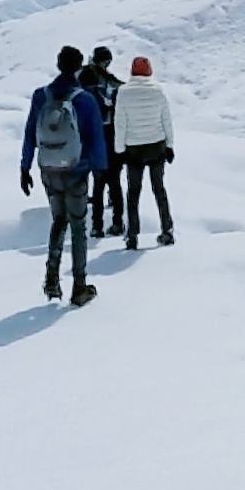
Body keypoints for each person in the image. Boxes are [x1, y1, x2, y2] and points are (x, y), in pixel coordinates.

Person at [21, 46, 108, 305]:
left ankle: (51, 279)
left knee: (58, 220)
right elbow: (95, 139)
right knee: (79, 226)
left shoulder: (41, 96)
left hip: (48, 169)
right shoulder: (84, 99)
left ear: (58, 64)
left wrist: (25, 167)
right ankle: (79, 286)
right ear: (79, 66)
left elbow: (29, 133)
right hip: (76, 170)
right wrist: (100, 170)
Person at [115, 55, 176, 250]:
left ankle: (132, 236)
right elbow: (166, 119)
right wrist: (170, 145)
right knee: (159, 190)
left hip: (133, 149)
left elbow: (120, 123)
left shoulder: (123, 92)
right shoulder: (158, 90)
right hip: (156, 146)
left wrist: (119, 150)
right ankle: (167, 230)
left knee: (133, 193)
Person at [86, 46, 125, 238]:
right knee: (113, 182)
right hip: (109, 134)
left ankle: (97, 226)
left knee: (99, 182)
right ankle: (117, 223)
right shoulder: (98, 79)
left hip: (96, 136)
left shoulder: (89, 76)